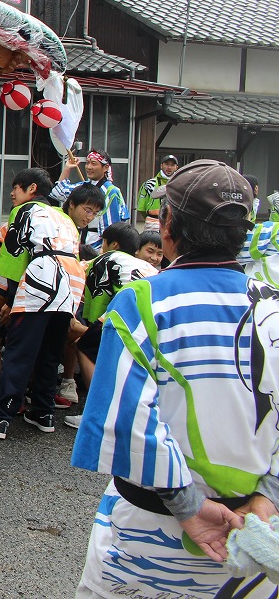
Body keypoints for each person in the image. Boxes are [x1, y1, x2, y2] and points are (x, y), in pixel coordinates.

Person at [71, 159, 279, 598]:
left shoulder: (143, 302)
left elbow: (124, 422)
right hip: (254, 540)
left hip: (152, 538)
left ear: (167, 226)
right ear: (243, 232)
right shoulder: (273, 308)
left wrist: (189, 505)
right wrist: (270, 497)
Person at [0, 170, 99, 439]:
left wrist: (11, 301)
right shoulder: (65, 218)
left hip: (43, 278)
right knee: (50, 351)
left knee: (19, 350)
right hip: (71, 284)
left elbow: (14, 258)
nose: (12, 194)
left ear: (31, 188)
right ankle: (43, 412)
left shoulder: (25, 210)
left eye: (16, 188)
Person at [61, 223, 156, 430]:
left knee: (85, 347)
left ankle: (99, 413)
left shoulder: (105, 259)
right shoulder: (144, 265)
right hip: (155, 312)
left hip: (129, 308)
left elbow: (92, 291)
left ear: (109, 244)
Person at [51, 149, 129, 250]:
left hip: (98, 244)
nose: (89, 167)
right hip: (78, 239)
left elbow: (111, 228)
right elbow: (57, 193)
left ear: (105, 167)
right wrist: (67, 168)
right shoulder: (83, 186)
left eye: (93, 164)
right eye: (87, 163)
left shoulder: (111, 191)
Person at [134, 154, 178, 232]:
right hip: (152, 221)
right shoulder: (149, 184)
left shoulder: (180, 184)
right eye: (167, 164)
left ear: (176, 167)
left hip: (174, 222)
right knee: (152, 244)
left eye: (172, 165)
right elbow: (141, 207)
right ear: (161, 166)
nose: (169, 167)